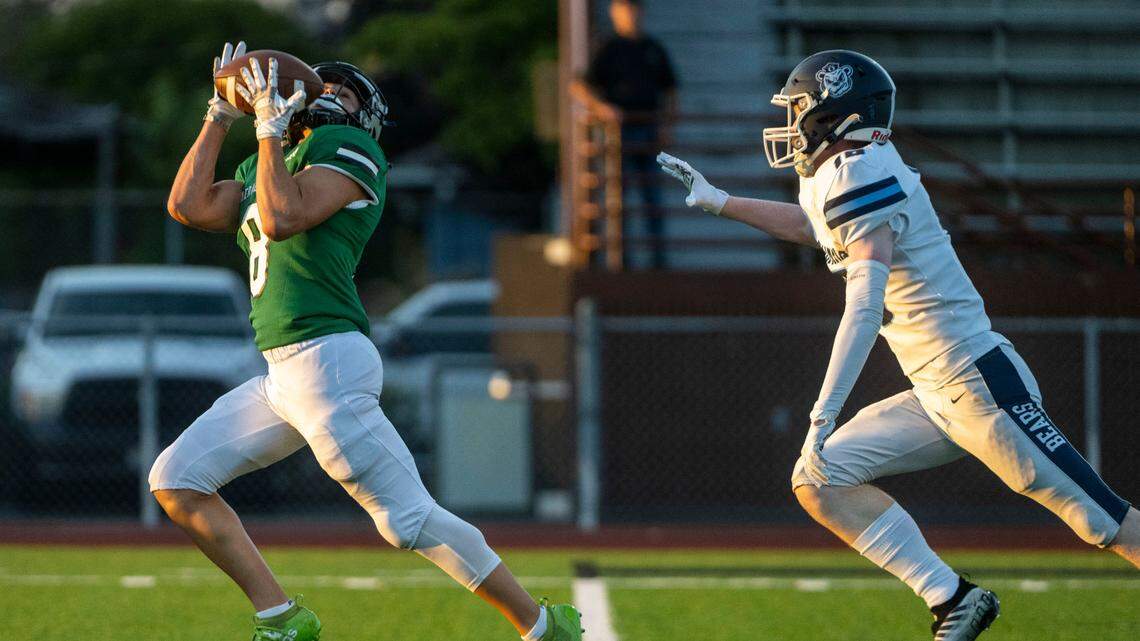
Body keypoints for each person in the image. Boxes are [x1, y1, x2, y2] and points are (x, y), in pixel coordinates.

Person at [658, 49, 1138, 641]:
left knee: (1105, 521)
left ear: (836, 111)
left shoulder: (860, 171)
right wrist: (721, 202)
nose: (793, 122)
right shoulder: (842, 171)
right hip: (938, 391)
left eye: (801, 107)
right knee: (821, 479)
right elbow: (816, 227)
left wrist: (822, 412)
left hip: (979, 383)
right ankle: (953, 598)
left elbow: (862, 304)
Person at [151, 41, 583, 641]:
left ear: (364, 116)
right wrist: (221, 114)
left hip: (328, 361)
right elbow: (187, 205)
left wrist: (271, 132)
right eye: (321, 87)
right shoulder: (268, 160)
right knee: (176, 479)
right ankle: (282, 618)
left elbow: (281, 218)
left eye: (344, 92)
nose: (327, 94)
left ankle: (542, 626)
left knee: (405, 520)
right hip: (283, 376)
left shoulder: (351, 149)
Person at [586, 0, 678, 269]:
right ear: (615, 13)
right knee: (617, 200)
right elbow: (580, 86)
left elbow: (671, 90)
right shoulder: (609, 49)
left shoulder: (653, 49)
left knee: (653, 198)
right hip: (619, 134)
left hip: (649, 131)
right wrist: (602, 109)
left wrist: (667, 126)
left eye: (634, 9)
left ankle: (658, 263)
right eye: (624, 9)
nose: (630, 16)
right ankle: (620, 261)